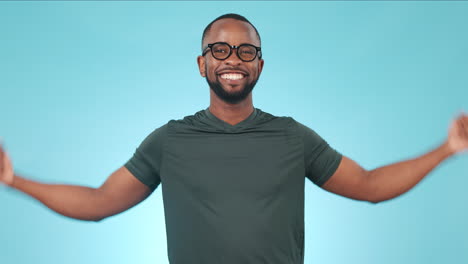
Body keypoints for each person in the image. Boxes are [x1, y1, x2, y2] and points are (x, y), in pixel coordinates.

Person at [0, 13, 467, 264]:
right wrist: (15, 180)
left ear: (260, 66)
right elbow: (101, 201)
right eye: (219, 49)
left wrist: (448, 150)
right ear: (201, 63)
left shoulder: (292, 136)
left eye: (247, 50)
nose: (233, 58)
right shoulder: (169, 140)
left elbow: (368, 186)